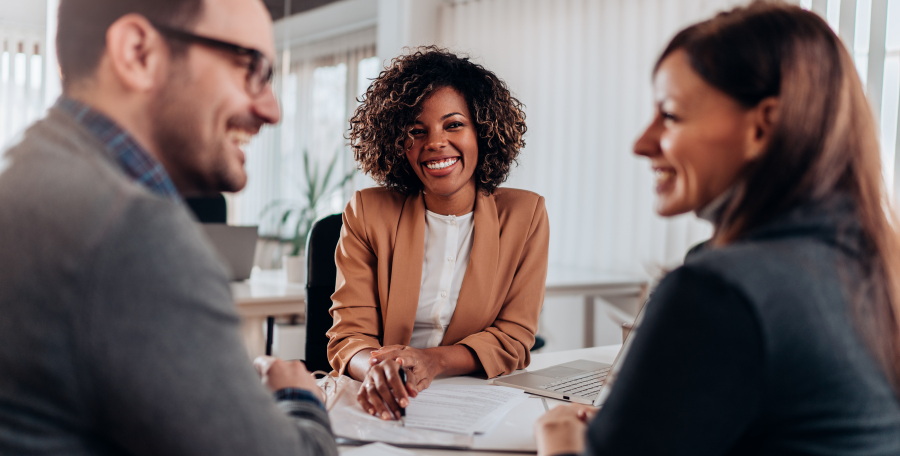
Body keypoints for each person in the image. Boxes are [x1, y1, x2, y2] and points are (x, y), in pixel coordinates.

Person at [534, 2, 900, 455]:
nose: (641, 143)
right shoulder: (875, 267)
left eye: (669, 114)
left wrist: (562, 441)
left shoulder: (719, 292)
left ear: (762, 127)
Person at [0, 0, 337, 454]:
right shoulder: (129, 231)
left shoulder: (29, 174)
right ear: (139, 53)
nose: (271, 109)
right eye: (250, 68)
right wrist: (299, 399)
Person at [328, 47, 549, 421]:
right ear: (398, 143)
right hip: (379, 400)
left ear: (483, 130)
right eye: (417, 130)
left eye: (453, 124)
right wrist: (379, 370)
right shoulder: (367, 212)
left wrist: (431, 361)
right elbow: (350, 336)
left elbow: (514, 337)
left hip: (474, 401)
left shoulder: (525, 215)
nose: (434, 143)